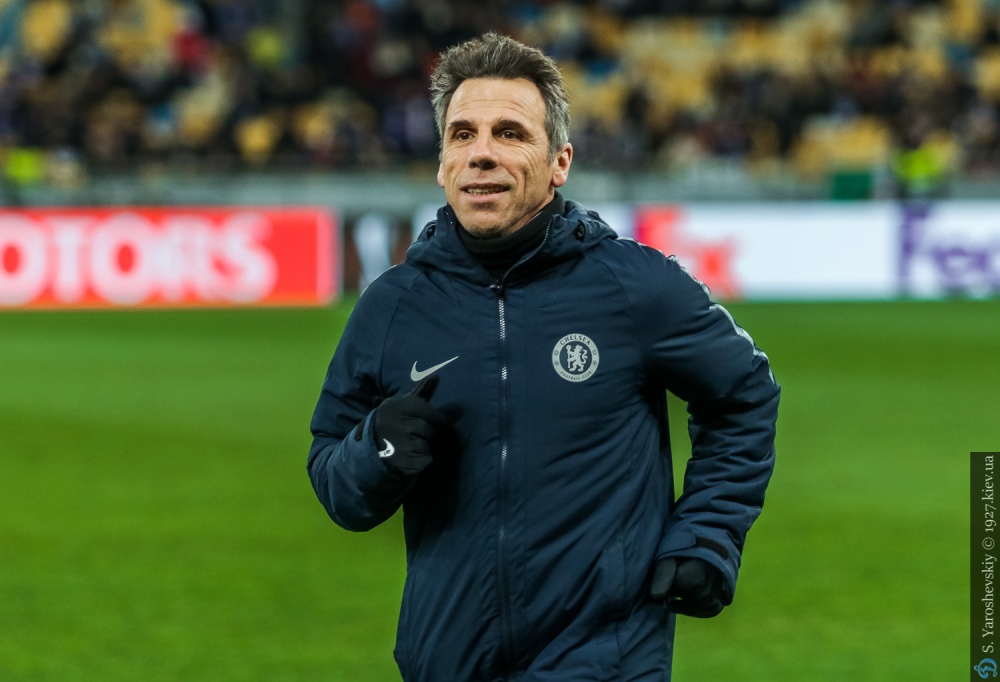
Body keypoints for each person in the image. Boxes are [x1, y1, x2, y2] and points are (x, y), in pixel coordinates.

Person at [308, 32, 780, 682]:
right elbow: (334, 478)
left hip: (603, 660)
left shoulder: (634, 286)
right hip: (446, 660)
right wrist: (376, 451)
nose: (482, 154)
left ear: (559, 162)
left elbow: (744, 394)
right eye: (463, 135)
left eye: (509, 133)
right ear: (442, 163)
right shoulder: (391, 306)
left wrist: (708, 533)